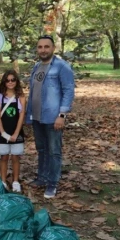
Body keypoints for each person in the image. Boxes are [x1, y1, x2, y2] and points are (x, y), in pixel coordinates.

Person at [26, 35, 75, 199]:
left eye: (46, 47)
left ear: (53, 48)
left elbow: (68, 91)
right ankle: (42, 177)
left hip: (54, 117)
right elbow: (34, 92)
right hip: (37, 117)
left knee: (54, 151)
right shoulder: (37, 67)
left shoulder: (61, 66)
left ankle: (52, 183)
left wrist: (62, 115)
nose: (43, 50)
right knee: (41, 149)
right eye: (40, 47)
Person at [0, 70, 26, 193]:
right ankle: (2, 180)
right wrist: (2, 133)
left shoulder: (21, 97)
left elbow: (22, 115)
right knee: (4, 156)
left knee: (16, 157)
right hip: (3, 131)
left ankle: (15, 181)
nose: (10, 82)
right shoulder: (0, 97)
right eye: (7, 80)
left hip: (16, 131)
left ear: (16, 81)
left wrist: (16, 133)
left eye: (13, 80)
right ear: (4, 82)